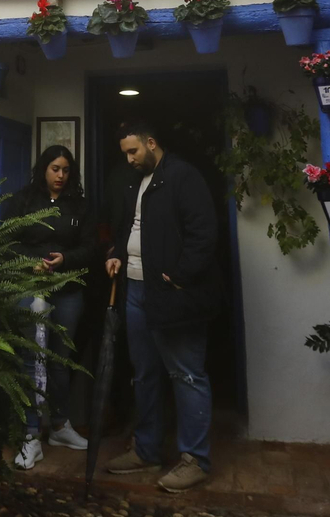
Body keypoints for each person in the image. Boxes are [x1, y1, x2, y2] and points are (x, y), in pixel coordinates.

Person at [103, 120, 218, 493]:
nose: (130, 159)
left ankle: (195, 460)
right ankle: (147, 450)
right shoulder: (135, 181)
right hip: (135, 289)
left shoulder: (183, 176)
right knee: (145, 373)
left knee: (186, 374)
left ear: (151, 143)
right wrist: (117, 254)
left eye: (133, 151)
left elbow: (204, 232)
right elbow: (130, 229)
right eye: (125, 153)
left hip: (171, 291)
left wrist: (180, 277)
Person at [1, 144, 98, 470]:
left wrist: (65, 259)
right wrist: (31, 263)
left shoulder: (80, 206)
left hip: (68, 291)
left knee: (60, 360)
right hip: (30, 289)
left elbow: (91, 247)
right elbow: (6, 240)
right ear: (43, 169)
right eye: (55, 169)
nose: (60, 175)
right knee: (32, 358)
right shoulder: (23, 200)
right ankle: (31, 436)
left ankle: (59, 426)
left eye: (66, 170)